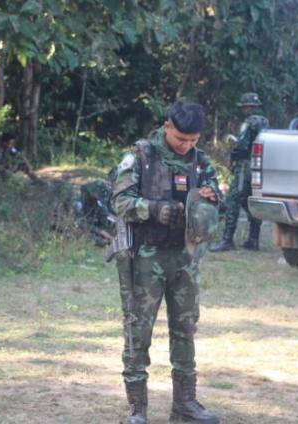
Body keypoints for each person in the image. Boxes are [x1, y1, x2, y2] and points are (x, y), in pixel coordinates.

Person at [111, 100, 222, 424]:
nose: (186, 145)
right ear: (167, 126)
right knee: (138, 331)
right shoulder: (141, 156)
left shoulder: (200, 161)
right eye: (181, 139)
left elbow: (216, 198)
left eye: (193, 140)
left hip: (185, 257)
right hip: (146, 257)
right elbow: (120, 201)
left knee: (185, 330)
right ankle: (137, 409)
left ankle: (185, 404)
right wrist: (154, 209)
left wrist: (211, 199)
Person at [210, 92, 270, 252]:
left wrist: (232, 156)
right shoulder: (265, 122)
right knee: (249, 201)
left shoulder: (249, 122)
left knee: (233, 199)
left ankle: (227, 240)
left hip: (245, 167)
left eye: (244, 107)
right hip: (259, 167)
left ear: (248, 107)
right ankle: (253, 239)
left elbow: (242, 145)